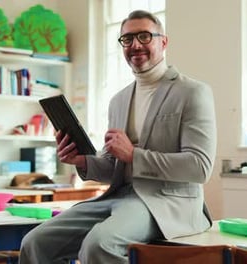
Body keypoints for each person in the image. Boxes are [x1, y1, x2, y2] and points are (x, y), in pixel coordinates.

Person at [19, 9, 217, 264]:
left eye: (144, 36)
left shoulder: (193, 92)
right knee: (34, 242)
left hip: (168, 203)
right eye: (127, 39)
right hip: (119, 197)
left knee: (99, 244)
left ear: (163, 41)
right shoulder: (119, 101)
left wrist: (134, 155)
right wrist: (82, 161)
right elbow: (115, 167)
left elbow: (200, 168)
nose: (135, 45)